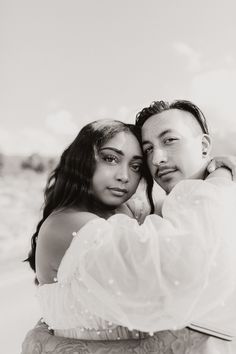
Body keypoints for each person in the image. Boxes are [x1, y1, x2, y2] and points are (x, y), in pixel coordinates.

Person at [22, 101, 236, 353]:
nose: (125, 176)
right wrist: (219, 180)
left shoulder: (136, 217)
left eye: (136, 166)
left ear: (204, 146)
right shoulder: (69, 223)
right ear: (81, 160)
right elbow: (178, 261)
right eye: (110, 158)